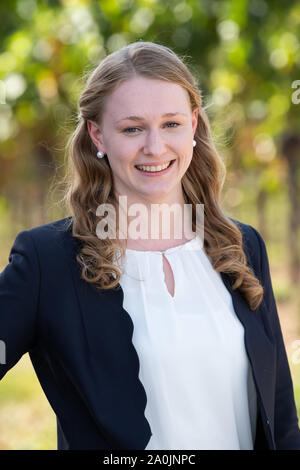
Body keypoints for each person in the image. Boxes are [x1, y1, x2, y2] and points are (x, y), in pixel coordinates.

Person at [0, 41, 300, 451]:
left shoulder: (241, 246)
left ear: (194, 124)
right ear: (97, 134)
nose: (155, 148)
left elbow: (281, 416)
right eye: (132, 128)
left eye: (171, 124)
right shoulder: (49, 262)